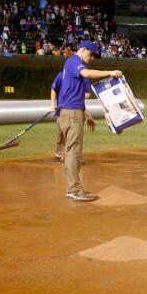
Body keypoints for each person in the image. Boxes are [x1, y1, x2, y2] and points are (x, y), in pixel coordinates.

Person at [57, 40, 122, 202]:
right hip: (71, 113)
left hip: (73, 111)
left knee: (75, 151)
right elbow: (87, 74)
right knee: (73, 152)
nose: (91, 58)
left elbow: (76, 95)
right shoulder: (74, 61)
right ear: (83, 49)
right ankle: (73, 190)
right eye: (91, 54)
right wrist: (110, 72)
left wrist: (87, 116)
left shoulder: (73, 65)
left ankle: (75, 188)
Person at [50, 70, 94, 163]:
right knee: (60, 135)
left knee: (76, 135)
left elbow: (87, 94)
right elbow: (54, 89)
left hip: (77, 108)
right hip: (61, 110)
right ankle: (58, 155)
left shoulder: (84, 76)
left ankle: (77, 157)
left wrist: (75, 95)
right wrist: (52, 104)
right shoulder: (61, 75)